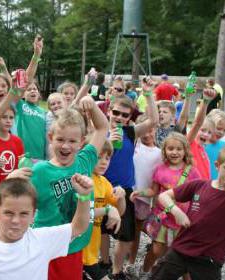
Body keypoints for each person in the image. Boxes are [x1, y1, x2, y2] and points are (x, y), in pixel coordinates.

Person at [151, 144, 225, 280]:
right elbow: (163, 196)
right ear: (217, 165)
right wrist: (176, 212)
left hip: (209, 260)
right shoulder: (199, 185)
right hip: (180, 251)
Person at [31, 94, 109, 280]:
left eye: (72, 141)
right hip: (48, 247)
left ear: (82, 141)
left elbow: (102, 127)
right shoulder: (40, 171)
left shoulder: (85, 160)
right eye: (60, 140)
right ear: (51, 137)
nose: (66, 146)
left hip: (74, 246)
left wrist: (93, 107)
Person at [103, 78, 157, 280]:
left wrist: (149, 94)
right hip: (102, 187)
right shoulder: (99, 130)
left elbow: (153, 121)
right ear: (109, 110)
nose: (119, 117)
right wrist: (107, 141)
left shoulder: (130, 132)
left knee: (126, 235)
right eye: (115, 112)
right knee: (99, 233)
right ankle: (100, 265)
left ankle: (116, 271)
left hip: (124, 189)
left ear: (129, 118)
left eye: (124, 115)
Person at [130, 133, 201, 278]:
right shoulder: (160, 170)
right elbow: (153, 191)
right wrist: (140, 192)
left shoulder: (192, 171)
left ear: (185, 151)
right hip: (162, 218)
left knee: (180, 253)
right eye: (170, 148)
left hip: (182, 220)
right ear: (165, 151)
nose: (174, 152)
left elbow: (199, 192)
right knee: (156, 250)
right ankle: (145, 272)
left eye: (178, 149)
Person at [81, 139, 125, 280]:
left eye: (107, 158)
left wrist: (122, 196)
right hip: (78, 251)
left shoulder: (104, 183)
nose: (104, 161)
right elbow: (82, 214)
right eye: (99, 157)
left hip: (91, 253)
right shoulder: (82, 178)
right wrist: (107, 209)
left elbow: (120, 211)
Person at [125, 114, 162, 275]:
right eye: (143, 131)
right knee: (132, 230)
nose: (147, 134)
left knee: (139, 229)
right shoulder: (133, 146)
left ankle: (147, 259)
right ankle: (131, 261)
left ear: (155, 130)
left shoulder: (160, 153)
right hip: (129, 193)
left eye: (150, 130)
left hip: (145, 198)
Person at [0, 93, 24, 198]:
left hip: (12, 193)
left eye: (11, 118)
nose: (8, 121)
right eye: (4, 117)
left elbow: (20, 168)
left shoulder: (17, 141)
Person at [185, 88, 217, 180]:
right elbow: (197, 123)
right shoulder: (189, 143)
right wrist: (206, 101)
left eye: (209, 132)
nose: (206, 134)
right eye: (203, 130)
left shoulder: (203, 150)